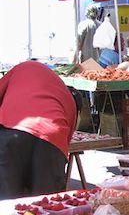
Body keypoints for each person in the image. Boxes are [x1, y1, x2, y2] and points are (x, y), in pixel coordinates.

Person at [0, 61, 79, 198]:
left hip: (13, 131)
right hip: (52, 138)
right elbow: (65, 138)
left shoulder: (20, 70)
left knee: (7, 203)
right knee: (45, 204)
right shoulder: (64, 97)